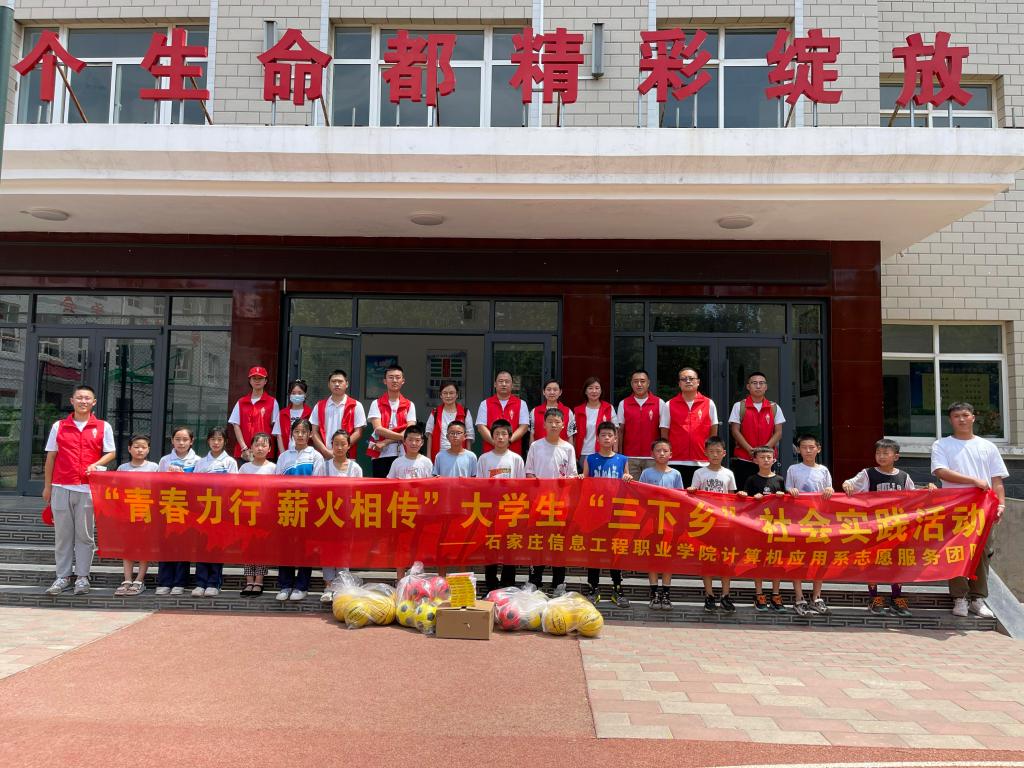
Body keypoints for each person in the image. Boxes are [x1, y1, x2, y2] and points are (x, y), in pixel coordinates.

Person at [931, 402, 1008, 619]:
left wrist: (1001, 504)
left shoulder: (987, 446)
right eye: (956, 416)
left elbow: (996, 480)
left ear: (973, 417)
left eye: (965, 415)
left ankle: (977, 598)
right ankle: (959, 598)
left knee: (982, 552)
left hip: (984, 508)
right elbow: (941, 471)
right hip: (955, 507)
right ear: (950, 420)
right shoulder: (942, 444)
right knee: (956, 550)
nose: (962, 419)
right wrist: (973, 480)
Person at [42, 384, 116, 597]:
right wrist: (47, 487)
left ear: (94, 402)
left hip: (87, 488)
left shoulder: (102, 426)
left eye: (87, 398)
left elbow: (111, 452)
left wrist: (96, 464)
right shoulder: (59, 426)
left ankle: (83, 576)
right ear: (72, 401)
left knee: (85, 535)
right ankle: (63, 576)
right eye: (79, 398)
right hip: (61, 486)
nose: (83, 401)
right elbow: (51, 457)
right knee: (63, 535)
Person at [842, 438, 919, 617]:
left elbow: (915, 496)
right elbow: (850, 483)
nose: (881, 456)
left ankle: (897, 598)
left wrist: (929, 489)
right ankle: (874, 598)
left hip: (897, 528)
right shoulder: (868, 474)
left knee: (897, 563)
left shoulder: (904, 477)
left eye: (886, 453)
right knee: (873, 563)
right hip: (874, 528)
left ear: (896, 456)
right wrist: (847, 484)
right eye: (878, 453)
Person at [525, 408, 578, 596]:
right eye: (550, 422)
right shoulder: (535, 446)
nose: (554, 425)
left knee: (558, 543)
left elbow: (572, 475)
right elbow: (529, 473)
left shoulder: (568, 448)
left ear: (563, 425)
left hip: (560, 504)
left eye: (557, 422)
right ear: (544, 424)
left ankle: (559, 583)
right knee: (537, 542)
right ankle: (534, 580)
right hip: (539, 503)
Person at [581, 421, 632, 607]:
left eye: (610, 435)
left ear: (615, 439)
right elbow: (584, 481)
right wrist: (580, 478)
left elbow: (627, 481)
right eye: (603, 435)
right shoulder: (590, 459)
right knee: (594, 551)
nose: (606, 438)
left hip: (615, 514)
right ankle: (593, 587)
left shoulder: (622, 459)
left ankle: (617, 588)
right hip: (594, 514)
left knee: (615, 551)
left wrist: (628, 477)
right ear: (597, 438)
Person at [275, 418, 325, 602]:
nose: (300, 435)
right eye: (297, 431)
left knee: (306, 548)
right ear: (292, 434)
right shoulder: (284, 456)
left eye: (304, 432)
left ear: (310, 434)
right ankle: (285, 585)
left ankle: (301, 586)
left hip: (307, 508)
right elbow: (277, 483)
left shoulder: (316, 456)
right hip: (287, 507)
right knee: (286, 547)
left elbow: (318, 484)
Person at [785, 434, 834, 616]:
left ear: (818, 449)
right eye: (804, 447)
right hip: (798, 522)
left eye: (811, 447)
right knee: (797, 559)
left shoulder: (824, 470)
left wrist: (830, 490)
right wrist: (791, 491)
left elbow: (830, 491)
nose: (808, 450)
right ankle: (799, 598)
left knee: (819, 559)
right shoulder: (793, 469)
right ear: (799, 450)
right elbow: (787, 489)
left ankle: (817, 597)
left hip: (819, 522)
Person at [688, 436, 737, 613]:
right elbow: (693, 495)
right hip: (705, 522)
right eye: (711, 452)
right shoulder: (699, 473)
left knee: (726, 560)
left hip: (723, 523)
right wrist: (692, 492)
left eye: (718, 451)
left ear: (724, 453)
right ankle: (709, 595)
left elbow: (732, 498)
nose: (715, 455)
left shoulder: (728, 474)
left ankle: (725, 596)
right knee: (706, 558)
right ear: (705, 453)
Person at [477, 419, 526, 593]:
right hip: (490, 510)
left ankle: (508, 584)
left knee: (510, 546)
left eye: (504, 434)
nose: (500, 437)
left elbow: (522, 486)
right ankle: (490, 583)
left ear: (509, 437)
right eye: (497, 434)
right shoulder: (484, 459)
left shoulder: (516, 459)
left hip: (510, 510)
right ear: (492, 436)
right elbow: (479, 485)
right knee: (491, 546)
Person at [738, 445, 787, 612]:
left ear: (774, 460)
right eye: (762, 457)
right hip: (757, 528)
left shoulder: (780, 480)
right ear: (755, 460)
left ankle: (776, 594)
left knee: (776, 561)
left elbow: (789, 504)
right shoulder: (751, 480)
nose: (766, 460)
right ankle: (759, 594)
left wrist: (783, 497)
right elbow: (743, 501)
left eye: (768, 457)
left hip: (776, 528)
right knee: (758, 560)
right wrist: (752, 498)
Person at [316, 429, 362, 602]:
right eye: (336, 444)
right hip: (327, 515)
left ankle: (341, 586)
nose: (340, 447)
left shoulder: (355, 468)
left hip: (346, 516)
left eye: (343, 444)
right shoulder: (324, 466)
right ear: (331, 445)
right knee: (327, 550)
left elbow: (359, 493)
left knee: (344, 551)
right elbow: (317, 490)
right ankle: (328, 586)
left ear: (349, 446)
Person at [154, 426, 200, 596]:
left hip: (188, 508)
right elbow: (158, 483)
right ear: (172, 441)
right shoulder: (165, 460)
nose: (181, 443)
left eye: (185, 439)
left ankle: (180, 581)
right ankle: (165, 581)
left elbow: (200, 485)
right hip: (168, 506)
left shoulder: (198, 461)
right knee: (167, 543)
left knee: (182, 544)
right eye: (178, 439)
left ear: (191, 441)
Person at [193, 426, 238, 597]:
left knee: (216, 546)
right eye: (213, 439)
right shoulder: (201, 462)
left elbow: (233, 487)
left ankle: (213, 583)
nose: (216, 443)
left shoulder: (230, 462)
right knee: (202, 546)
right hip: (203, 510)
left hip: (221, 511)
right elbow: (195, 486)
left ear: (225, 442)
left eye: (219, 439)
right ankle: (200, 582)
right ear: (208, 441)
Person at [638, 438, 681, 611]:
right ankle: (654, 593)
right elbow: (640, 495)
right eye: (658, 451)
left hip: (669, 522)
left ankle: (666, 593)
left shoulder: (676, 474)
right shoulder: (646, 474)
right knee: (653, 557)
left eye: (665, 451)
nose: (661, 454)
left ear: (671, 454)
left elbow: (680, 498)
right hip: (651, 521)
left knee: (667, 557)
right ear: (652, 454)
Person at [113, 434, 158, 597]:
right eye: (136, 446)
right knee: (128, 547)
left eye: (143, 447)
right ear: (129, 449)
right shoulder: (122, 468)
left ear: (148, 450)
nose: (140, 450)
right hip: (127, 513)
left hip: (146, 513)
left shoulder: (154, 467)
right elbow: (116, 490)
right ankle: (127, 579)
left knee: (143, 546)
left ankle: (139, 579)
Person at [661, 367, 719, 487]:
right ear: (679, 383)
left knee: (700, 496)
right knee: (677, 496)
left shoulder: (709, 403)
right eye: (684, 379)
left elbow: (713, 432)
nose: (688, 381)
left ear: (698, 382)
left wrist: (710, 453)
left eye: (691, 378)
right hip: (675, 460)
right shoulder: (669, 404)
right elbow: (664, 432)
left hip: (702, 461)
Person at [728, 371, 785, 491]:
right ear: (748, 386)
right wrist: (749, 450)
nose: (758, 386)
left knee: (767, 494)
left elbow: (778, 432)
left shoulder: (774, 407)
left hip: (767, 461)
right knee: (743, 494)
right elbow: (735, 431)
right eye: (754, 383)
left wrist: (764, 451)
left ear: (766, 387)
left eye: (761, 383)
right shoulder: (739, 406)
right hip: (744, 459)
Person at [238, 432, 276, 598]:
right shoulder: (244, 468)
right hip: (247, 512)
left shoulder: (273, 468)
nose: (260, 448)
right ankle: (249, 580)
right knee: (247, 546)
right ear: (251, 448)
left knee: (261, 547)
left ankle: (259, 580)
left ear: (269, 449)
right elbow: (237, 490)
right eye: (257, 445)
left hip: (265, 513)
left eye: (264, 445)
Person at [367, 364, 415, 478]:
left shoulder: (409, 405)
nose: (394, 380)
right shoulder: (376, 403)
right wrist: (402, 436)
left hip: (403, 453)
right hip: (380, 454)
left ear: (403, 381)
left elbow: (410, 430)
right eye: (391, 377)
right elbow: (378, 429)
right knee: (381, 487)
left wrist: (386, 442)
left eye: (398, 377)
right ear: (385, 381)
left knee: (402, 487)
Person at [617, 370, 666, 479]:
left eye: (642, 381)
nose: (639, 384)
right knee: (631, 487)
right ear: (631, 384)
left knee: (652, 487)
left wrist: (662, 452)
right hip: (630, 457)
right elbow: (620, 431)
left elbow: (663, 431)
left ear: (648, 383)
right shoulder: (623, 403)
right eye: (635, 381)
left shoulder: (659, 403)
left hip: (653, 457)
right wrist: (620, 454)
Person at [310, 369, 366, 461]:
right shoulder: (319, 405)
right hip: (324, 456)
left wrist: (342, 448)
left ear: (346, 384)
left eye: (340, 381)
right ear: (328, 384)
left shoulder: (356, 405)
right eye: (333, 381)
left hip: (347, 457)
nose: (336, 384)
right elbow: (314, 432)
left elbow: (358, 432)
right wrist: (325, 451)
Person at [229, 365, 280, 461]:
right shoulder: (241, 402)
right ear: (250, 381)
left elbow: (275, 428)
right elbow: (236, 425)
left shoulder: (272, 402)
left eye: (260, 378)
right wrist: (244, 448)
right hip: (244, 452)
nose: (257, 381)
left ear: (265, 381)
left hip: (265, 452)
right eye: (254, 378)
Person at [477, 370, 530, 457]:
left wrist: (508, 442)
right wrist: (495, 443)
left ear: (512, 385)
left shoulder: (521, 404)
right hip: (490, 452)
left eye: (507, 381)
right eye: (500, 381)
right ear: (495, 384)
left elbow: (523, 427)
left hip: (513, 453)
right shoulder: (485, 404)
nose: (504, 384)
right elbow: (481, 427)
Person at [573, 377, 616, 472]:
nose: (594, 391)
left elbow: (615, 431)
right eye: (590, 388)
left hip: (605, 452)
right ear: (585, 391)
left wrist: (615, 451)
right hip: (584, 453)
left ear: (601, 391)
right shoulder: (578, 410)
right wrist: (574, 454)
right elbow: (574, 435)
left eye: (597, 388)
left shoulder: (608, 408)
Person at [425, 381, 474, 462]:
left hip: (460, 456)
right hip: (439, 455)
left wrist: (468, 457)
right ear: (441, 395)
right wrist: (428, 457)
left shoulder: (465, 412)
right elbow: (430, 435)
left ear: (457, 395)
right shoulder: (435, 412)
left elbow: (469, 436)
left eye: (451, 393)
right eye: (445, 393)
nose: (448, 396)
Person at [529, 379, 575, 445]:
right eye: (548, 389)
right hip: (540, 449)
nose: (552, 392)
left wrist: (570, 450)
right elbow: (532, 435)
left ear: (560, 392)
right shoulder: (535, 411)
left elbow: (570, 436)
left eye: (555, 390)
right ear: (543, 392)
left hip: (561, 450)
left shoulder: (568, 412)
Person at [277, 378, 312, 455]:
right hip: (286, 453)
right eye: (293, 393)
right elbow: (279, 436)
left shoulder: (310, 413)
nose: (296, 395)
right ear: (289, 395)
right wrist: (283, 455)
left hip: (305, 454)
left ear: (305, 394)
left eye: (300, 393)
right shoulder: (282, 413)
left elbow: (312, 435)